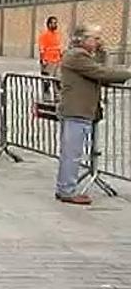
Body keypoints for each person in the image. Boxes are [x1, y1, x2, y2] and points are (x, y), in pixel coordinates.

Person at [54, 24, 131, 206]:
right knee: (71, 153)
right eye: (95, 38)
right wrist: (128, 73)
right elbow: (101, 73)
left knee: (71, 152)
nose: (98, 42)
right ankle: (66, 190)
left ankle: (65, 187)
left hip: (79, 110)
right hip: (76, 110)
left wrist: (102, 53)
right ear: (82, 39)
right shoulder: (76, 56)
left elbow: (99, 69)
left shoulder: (82, 56)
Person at [39, 16, 63, 99]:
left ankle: (58, 98)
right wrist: (43, 60)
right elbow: (42, 48)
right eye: (52, 23)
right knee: (47, 81)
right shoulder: (44, 35)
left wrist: (61, 57)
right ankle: (46, 98)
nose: (54, 25)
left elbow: (59, 47)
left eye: (55, 23)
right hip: (48, 61)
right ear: (48, 24)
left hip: (57, 61)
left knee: (57, 80)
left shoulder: (57, 35)